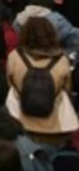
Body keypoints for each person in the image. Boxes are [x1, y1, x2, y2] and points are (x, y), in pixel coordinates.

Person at [5, 15, 77, 144]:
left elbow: (10, 86)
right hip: (54, 127)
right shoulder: (62, 60)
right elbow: (66, 90)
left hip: (21, 123)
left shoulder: (14, 57)